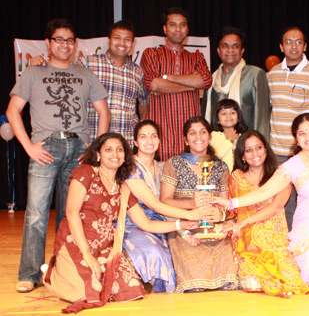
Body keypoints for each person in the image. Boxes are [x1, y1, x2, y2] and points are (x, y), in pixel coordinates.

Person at [6, 18, 110, 293]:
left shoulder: (85, 74)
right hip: (46, 147)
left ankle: (61, 271)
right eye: (59, 39)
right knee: (37, 214)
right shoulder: (33, 72)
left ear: (76, 45)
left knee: (70, 214)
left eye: (70, 40)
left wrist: (94, 148)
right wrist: (29, 147)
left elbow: (104, 112)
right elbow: (12, 111)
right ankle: (29, 274)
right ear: (49, 43)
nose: (65, 45)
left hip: (79, 149)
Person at [42, 133, 198, 313]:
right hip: (77, 241)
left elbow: (146, 224)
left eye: (119, 150)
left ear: (125, 156)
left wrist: (181, 225)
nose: (114, 154)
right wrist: (87, 254)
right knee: (85, 293)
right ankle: (53, 274)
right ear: (98, 154)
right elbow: (71, 212)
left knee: (131, 290)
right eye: (108, 149)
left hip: (105, 246)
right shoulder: (85, 173)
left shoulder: (123, 188)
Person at [213, 113, 309, 290]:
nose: (307, 137)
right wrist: (230, 204)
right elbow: (265, 191)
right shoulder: (291, 165)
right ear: (296, 138)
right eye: (302, 133)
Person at [123, 120, 215, 293]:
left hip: (162, 224)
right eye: (143, 137)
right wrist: (191, 215)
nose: (149, 141)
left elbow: (165, 205)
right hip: (135, 223)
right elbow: (156, 205)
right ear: (135, 142)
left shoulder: (163, 166)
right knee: (155, 254)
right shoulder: (130, 168)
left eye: (153, 136)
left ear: (159, 141)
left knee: (184, 251)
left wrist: (185, 233)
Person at [224, 130, 309, 297]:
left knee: (283, 266)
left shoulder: (281, 174)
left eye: (258, 147)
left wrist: (245, 221)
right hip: (245, 232)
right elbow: (232, 212)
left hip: (274, 229)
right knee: (252, 239)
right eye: (248, 150)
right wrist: (229, 223)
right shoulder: (236, 177)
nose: (255, 153)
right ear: (242, 156)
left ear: (266, 150)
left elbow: (276, 207)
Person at [160, 116, 239, 292]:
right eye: (192, 133)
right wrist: (190, 206)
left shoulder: (220, 167)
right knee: (195, 284)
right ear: (185, 139)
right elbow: (164, 202)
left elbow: (225, 204)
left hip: (213, 227)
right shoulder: (174, 164)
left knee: (229, 280)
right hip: (183, 226)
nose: (198, 137)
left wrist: (221, 217)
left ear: (210, 137)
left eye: (203, 132)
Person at [268, 26, 309, 230]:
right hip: (277, 150)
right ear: (281, 46)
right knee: (281, 201)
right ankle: (288, 243)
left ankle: (306, 239)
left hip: (305, 151)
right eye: (289, 42)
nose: (293, 46)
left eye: (298, 42)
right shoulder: (272, 74)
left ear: (305, 46)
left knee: (307, 198)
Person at [141, 7, 212, 160]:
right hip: (161, 136)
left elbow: (205, 80)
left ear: (187, 29)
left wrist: (167, 78)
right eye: (173, 24)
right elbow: (153, 84)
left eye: (182, 25)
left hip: (191, 139)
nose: (178, 29)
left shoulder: (196, 57)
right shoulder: (152, 54)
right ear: (165, 28)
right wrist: (192, 83)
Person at [202, 26, 270, 139]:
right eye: (225, 46)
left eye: (235, 46)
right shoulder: (211, 78)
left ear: (242, 51)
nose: (230, 50)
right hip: (217, 143)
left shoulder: (255, 74)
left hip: (245, 144)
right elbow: (206, 115)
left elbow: (262, 117)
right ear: (218, 51)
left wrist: (260, 145)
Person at [210, 98, 248, 171]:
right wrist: (229, 140)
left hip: (241, 175)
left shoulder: (244, 136)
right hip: (222, 176)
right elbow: (215, 156)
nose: (228, 116)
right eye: (224, 113)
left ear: (238, 117)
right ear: (217, 120)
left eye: (232, 113)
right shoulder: (213, 136)